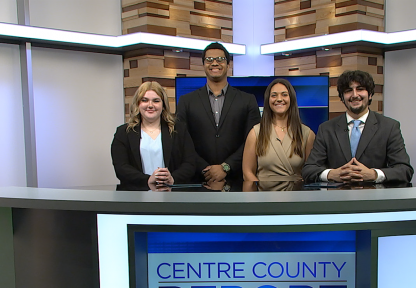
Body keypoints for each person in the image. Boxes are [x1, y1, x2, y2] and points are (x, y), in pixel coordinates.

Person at [302, 70, 413, 184]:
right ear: (342, 97)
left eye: (360, 89)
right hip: (337, 199)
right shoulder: (326, 129)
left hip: (375, 198)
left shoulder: (389, 127)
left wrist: (374, 174)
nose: (355, 95)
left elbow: (404, 170)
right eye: (348, 91)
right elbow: (309, 170)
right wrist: (332, 174)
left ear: (370, 94)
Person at [175, 42, 261, 182]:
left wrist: (226, 167)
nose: (215, 63)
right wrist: (205, 169)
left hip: (237, 181)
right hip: (197, 181)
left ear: (228, 65)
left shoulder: (247, 100)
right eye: (209, 60)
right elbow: (182, 141)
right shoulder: (186, 101)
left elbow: (254, 140)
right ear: (203, 65)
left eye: (220, 59)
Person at [111, 81, 196, 190]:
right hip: (135, 195)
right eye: (145, 100)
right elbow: (121, 167)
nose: (150, 105)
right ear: (138, 104)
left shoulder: (179, 130)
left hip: (172, 195)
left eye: (156, 101)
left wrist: (172, 178)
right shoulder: (123, 132)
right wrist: (147, 180)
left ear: (163, 105)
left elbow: (190, 164)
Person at [242, 78, 315, 181]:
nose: (279, 99)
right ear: (268, 100)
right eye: (274, 95)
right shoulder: (255, 133)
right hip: (264, 194)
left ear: (292, 99)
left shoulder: (307, 134)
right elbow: (247, 172)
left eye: (284, 94)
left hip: (296, 194)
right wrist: (258, 196)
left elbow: (311, 172)